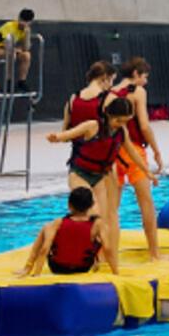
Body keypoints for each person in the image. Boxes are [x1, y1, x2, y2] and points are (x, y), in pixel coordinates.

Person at [109, 57, 169, 261]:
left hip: (114, 151)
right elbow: (144, 125)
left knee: (111, 208)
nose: (146, 81)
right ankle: (154, 253)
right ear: (135, 74)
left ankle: (105, 254)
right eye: (145, 76)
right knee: (146, 203)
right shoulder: (138, 92)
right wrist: (156, 150)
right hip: (133, 149)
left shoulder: (111, 92)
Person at [47, 62, 119, 229]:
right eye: (112, 80)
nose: (112, 85)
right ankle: (108, 253)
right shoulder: (109, 99)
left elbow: (66, 134)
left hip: (78, 162)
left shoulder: (73, 99)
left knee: (84, 214)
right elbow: (117, 133)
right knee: (108, 216)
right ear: (104, 78)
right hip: (104, 166)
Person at [16, 187, 119, 277]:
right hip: (83, 268)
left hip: (58, 268)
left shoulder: (58, 222)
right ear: (91, 205)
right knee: (98, 238)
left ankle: (27, 267)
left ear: (69, 205)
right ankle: (96, 263)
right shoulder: (98, 224)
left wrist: (37, 274)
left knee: (46, 227)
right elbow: (108, 248)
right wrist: (116, 273)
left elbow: (44, 248)